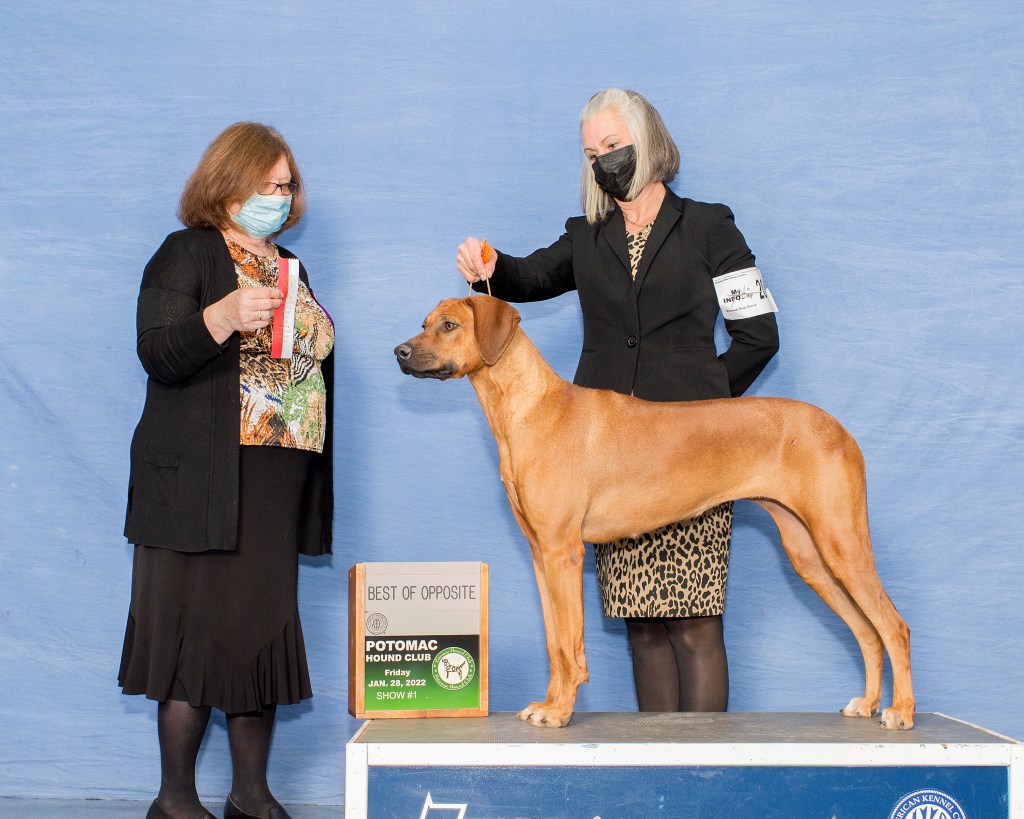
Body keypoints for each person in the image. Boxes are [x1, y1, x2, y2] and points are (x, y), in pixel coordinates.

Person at [456, 88, 779, 714]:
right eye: (591, 153)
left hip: (689, 449)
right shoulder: (587, 234)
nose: (603, 160)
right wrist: (488, 266)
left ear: (648, 142)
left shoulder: (709, 225)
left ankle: (703, 764)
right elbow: (528, 277)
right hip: (604, 457)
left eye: (613, 145)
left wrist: (708, 411)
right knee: (643, 628)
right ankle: (657, 761)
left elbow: (759, 333)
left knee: (693, 622)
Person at [119, 122, 335, 819]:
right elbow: (157, 351)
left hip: (276, 482)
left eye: (286, 184)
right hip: (200, 483)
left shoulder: (292, 264)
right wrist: (220, 316)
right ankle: (175, 799)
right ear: (227, 185)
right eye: (266, 184)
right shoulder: (186, 252)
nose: (280, 195)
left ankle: (250, 794)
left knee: (257, 639)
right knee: (193, 643)